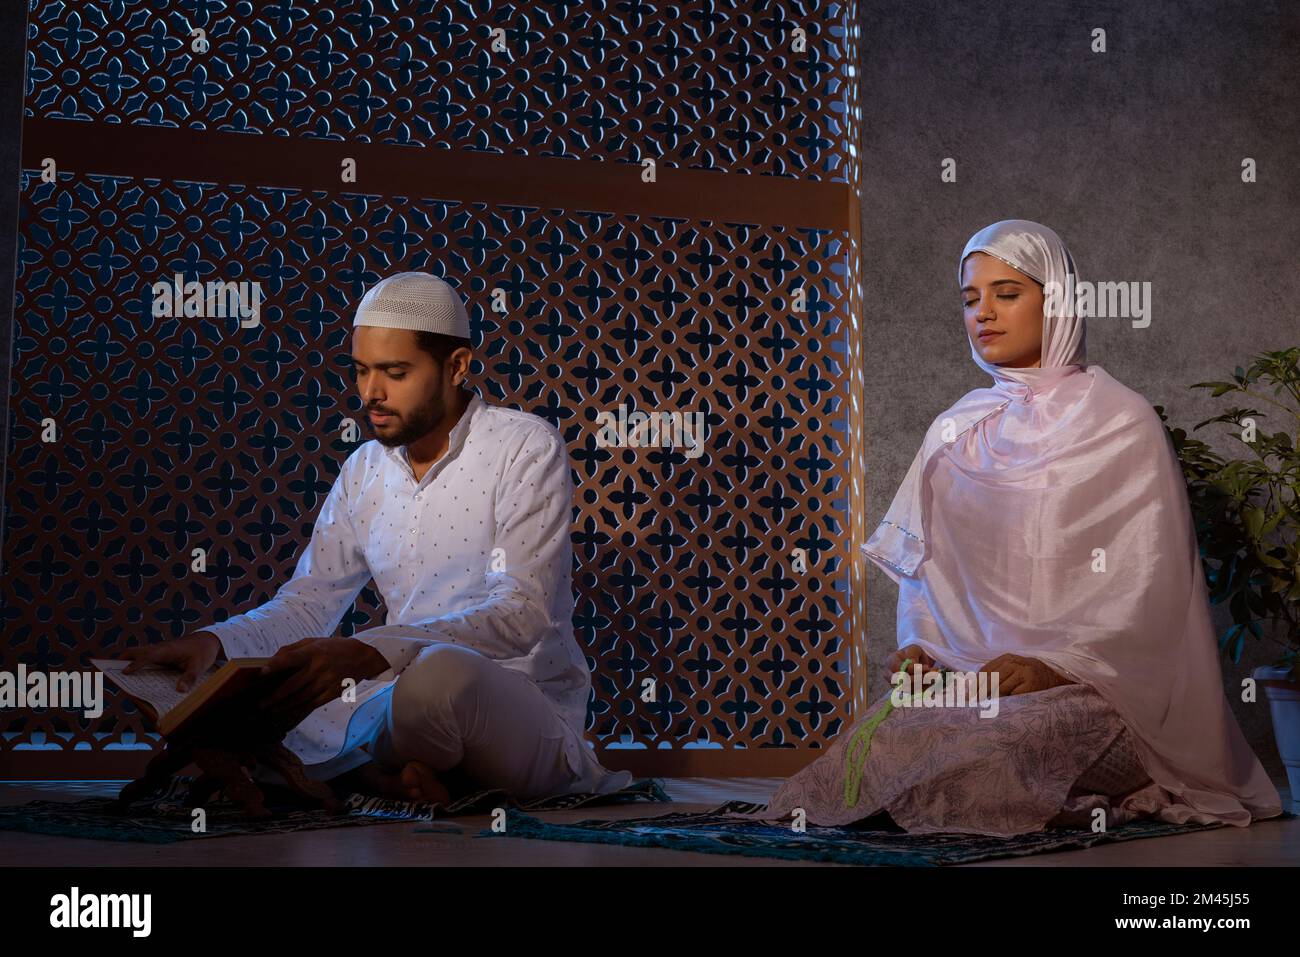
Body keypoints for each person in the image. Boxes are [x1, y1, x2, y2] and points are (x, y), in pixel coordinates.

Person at [750, 220, 1283, 836]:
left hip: (1104, 692)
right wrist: (926, 651)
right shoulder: (960, 428)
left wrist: (1054, 667)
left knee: (989, 755)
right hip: (974, 682)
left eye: (1007, 293)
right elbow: (932, 582)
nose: (984, 313)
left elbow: (1152, 599)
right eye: (971, 298)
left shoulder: (1121, 420)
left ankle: (1111, 785)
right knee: (862, 756)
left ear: (1055, 299)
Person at [121, 271, 633, 804]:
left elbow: (522, 613)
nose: (371, 393)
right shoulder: (364, 469)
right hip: (397, 698)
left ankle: (369, 776)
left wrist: (371, 651)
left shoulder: (523, 446)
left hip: (514, 704)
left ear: (456, 367)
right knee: (283, 702)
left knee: (440, 681)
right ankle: (409, 778)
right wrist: (217, 642)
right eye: (362, 370)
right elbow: (307, 605)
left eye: (395, 372)